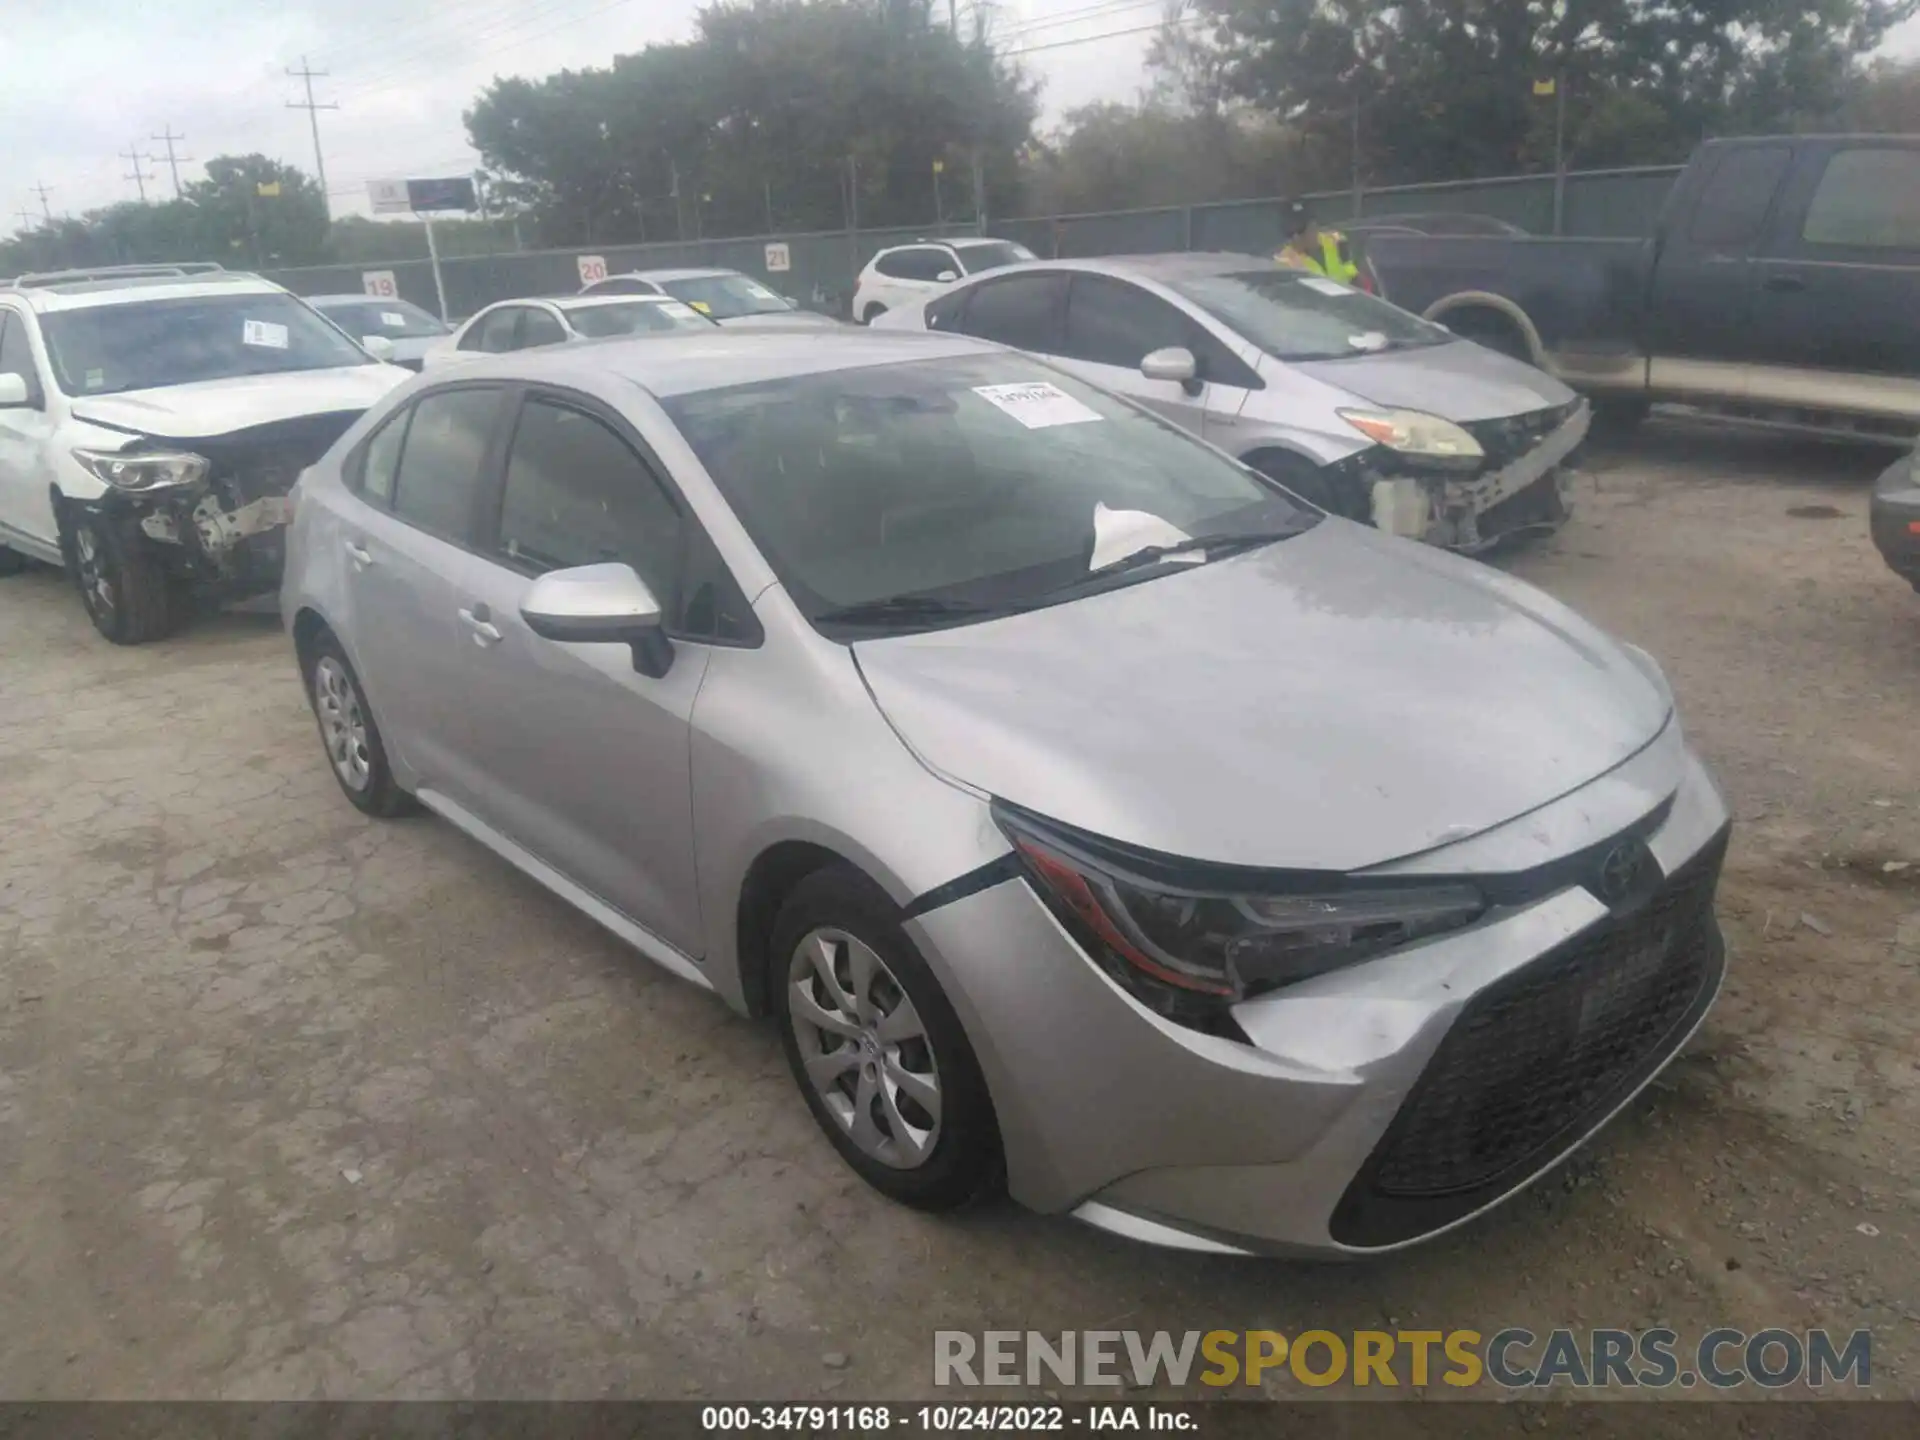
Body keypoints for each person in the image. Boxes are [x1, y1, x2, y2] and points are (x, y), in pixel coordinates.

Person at [1276, 199, 1362, 286]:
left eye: (1300, 231)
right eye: (1290, 234)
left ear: (1314, 226)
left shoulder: (1336, 240)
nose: (1295, 238)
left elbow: (1353, 275)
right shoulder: (1285, 262)